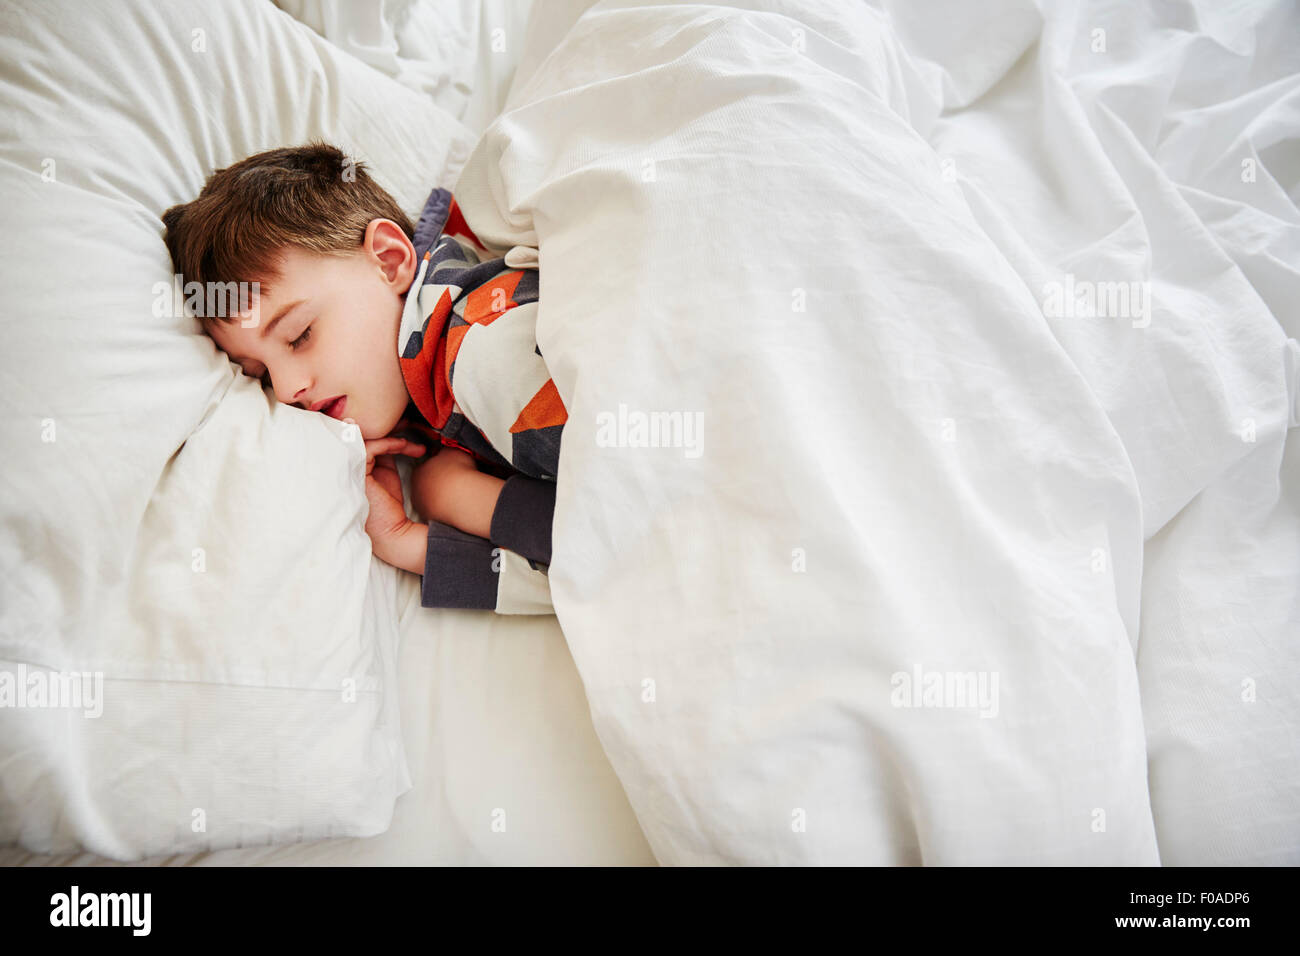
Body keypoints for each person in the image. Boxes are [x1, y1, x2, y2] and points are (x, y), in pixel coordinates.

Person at [161, 141, 563, 614]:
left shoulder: (484, 346)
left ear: (389, 261)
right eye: (261, 375)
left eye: (298, 335)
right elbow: (583, 585)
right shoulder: (432, 395)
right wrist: (404, 540)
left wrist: (461, 499)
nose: (288, 390)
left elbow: (620, 544)